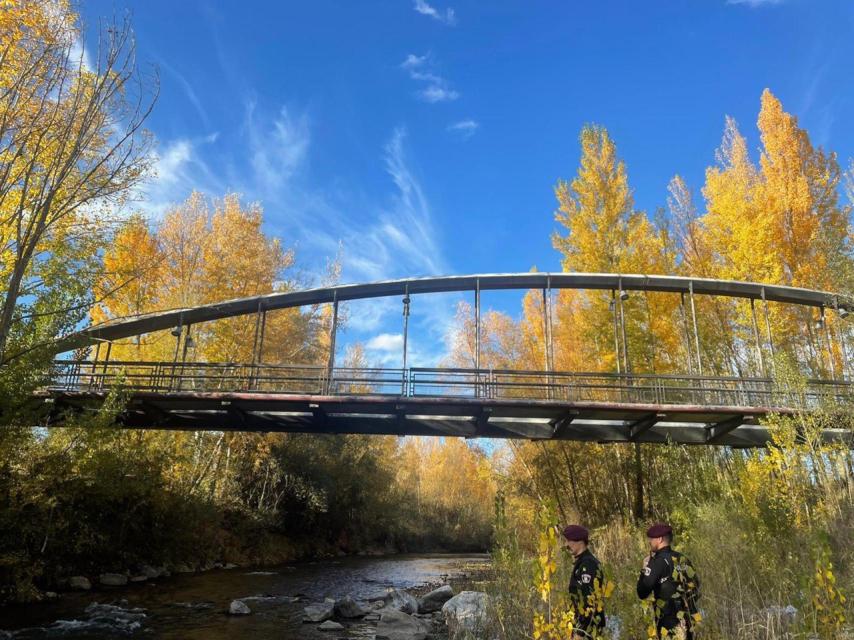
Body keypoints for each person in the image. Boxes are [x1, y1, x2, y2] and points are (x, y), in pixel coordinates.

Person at [636, 523, 700, 639]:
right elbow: (696, 586)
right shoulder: (683, 559)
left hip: (668, 625)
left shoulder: (657, 562)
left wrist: (644, 569)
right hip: (689, 620)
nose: (649, 542)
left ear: (660, 539)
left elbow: (642, 592)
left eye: (651, 539)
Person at [562, 524, 606, 639]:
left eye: (569, 541)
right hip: (581, 625)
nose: (566, 545)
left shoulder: (588, 564)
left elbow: (589, 601)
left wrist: (580, 632)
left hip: (588, 628)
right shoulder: (581, 563)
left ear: (580, 541)